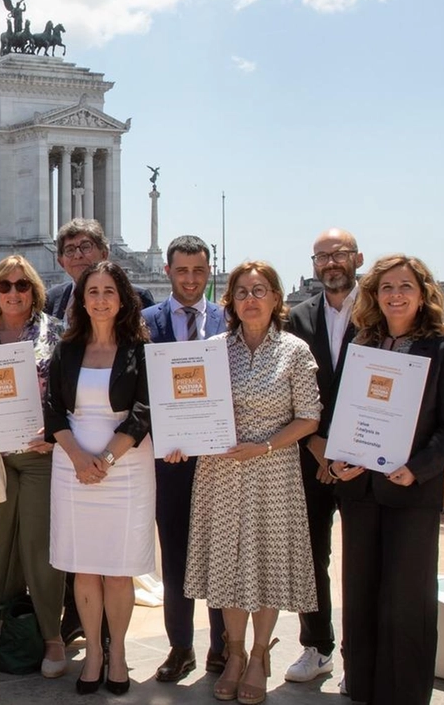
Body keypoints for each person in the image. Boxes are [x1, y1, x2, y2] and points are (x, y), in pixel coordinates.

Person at [180, 261, 322, 705]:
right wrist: (180, 436)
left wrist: (263, 446)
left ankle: (261, 655)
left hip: (273, 471)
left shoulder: (295, 351)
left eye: (259, 290)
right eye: (241, 292)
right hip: (220, 471)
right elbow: (188, 406)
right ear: (231, 302)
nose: (251, 299)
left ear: (276, 298)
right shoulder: (213, 349)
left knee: (266, 564)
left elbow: (309, 417)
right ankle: (235, 654)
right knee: (227, 567)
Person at [330, 254, 444, 705]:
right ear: (373, 295)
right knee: (361, 592)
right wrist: (338, 461)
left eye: (405, 286)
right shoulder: (361, 345)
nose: (395, 295)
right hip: (361, 490)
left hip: (410, 489)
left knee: (407, 598)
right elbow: (344, 414)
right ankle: (364, 686)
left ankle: (405, 694)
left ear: (423, 292)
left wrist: (419, 469)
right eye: (386, 287)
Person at [0, 254, 69, 677]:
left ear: (34, 290)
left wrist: (55, 434)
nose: (14, 293)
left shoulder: (56, 334)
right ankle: (6, 630)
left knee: (39, 545)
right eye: (5, 286)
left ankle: (52, 637)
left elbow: (67, 397)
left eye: (22, 285)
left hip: (40, 455)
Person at [45, 261, 153, 695]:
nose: (102, 299)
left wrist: (105, 459)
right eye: (93, 291)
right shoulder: (66, 349)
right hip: (73, 468)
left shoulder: (140, 349)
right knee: (86, 568)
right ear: (81, 299)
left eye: (110, 290)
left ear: (123, 298)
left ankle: (119, 653)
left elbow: (144, 410)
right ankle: (92, 652)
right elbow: (53, 407)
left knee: (119, 568)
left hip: (125, 468)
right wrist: (77, 457)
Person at [141, 234, 229, 682]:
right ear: (167, 272)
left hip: (218, 461)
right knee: (175, 558)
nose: (190, 279)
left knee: (217, 556)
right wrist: (163, 435)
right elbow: (139, 392)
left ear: (208, 272)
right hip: (168, 461)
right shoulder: (145, 323)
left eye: (198, 271)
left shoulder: (228, 320)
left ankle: (221, 646)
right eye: (182, 270)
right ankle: (181, 647)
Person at [281, 227, 361, 690]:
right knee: (310, 557)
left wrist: (349, 451)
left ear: (356, 258)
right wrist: (316, 446)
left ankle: (357, 654)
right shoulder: (300, 317)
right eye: (322, 256)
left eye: (340, 254)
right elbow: (292, 391)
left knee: (361, 558)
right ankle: (317, 647)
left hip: (362, 459)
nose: (331, 263)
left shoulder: (376, 311)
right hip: (311, 458)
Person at [43, 218, 154, 326]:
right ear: (61, 262)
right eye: (70, 250)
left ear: (104, 254)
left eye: (85, 247)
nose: (78, 255)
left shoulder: (137, 297)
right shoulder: (51, 299)